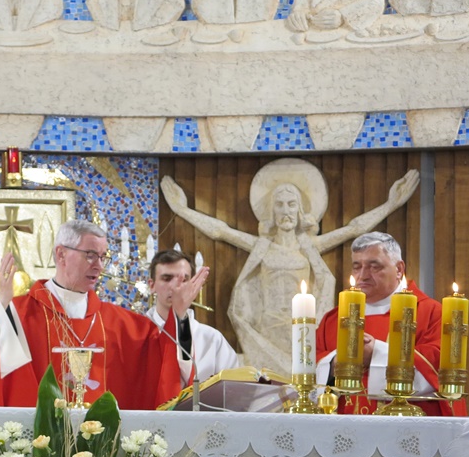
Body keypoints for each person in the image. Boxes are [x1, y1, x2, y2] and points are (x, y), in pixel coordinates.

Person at [308, 232, 465, 457]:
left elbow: (436, 374)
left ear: (399, 268)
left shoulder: (430, 313)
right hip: (345, 455)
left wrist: (375, 353)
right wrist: (340, 359)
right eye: (357, 266)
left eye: (375, 266)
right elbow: (314, 372)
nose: (363, 275)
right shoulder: (335, 319)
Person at [161, 160, 419, 376]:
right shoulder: (262, 246)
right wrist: (181, 210)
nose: (286, 210)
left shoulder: (310, 246)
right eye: (280, 204)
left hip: (303, 331)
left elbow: (353, 229)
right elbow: (221, 231)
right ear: (271, 211)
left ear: (300, 210)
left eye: (291, 204)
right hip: (266, 332)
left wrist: (391, 204)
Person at [0, 219, 206, 409]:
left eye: (103, 257)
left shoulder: (123, 325)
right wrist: (1, 305)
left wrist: (180, 316)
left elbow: (167, 361)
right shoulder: (19, 314)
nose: (99, 265)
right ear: (61, 254)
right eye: (90, 255)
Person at [146, 248, 239, 379]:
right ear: (152, 285)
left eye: (184, 280)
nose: (176, 287)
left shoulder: (212, 339)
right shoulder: (136, 335)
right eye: (167, 279)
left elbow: (233, 387)